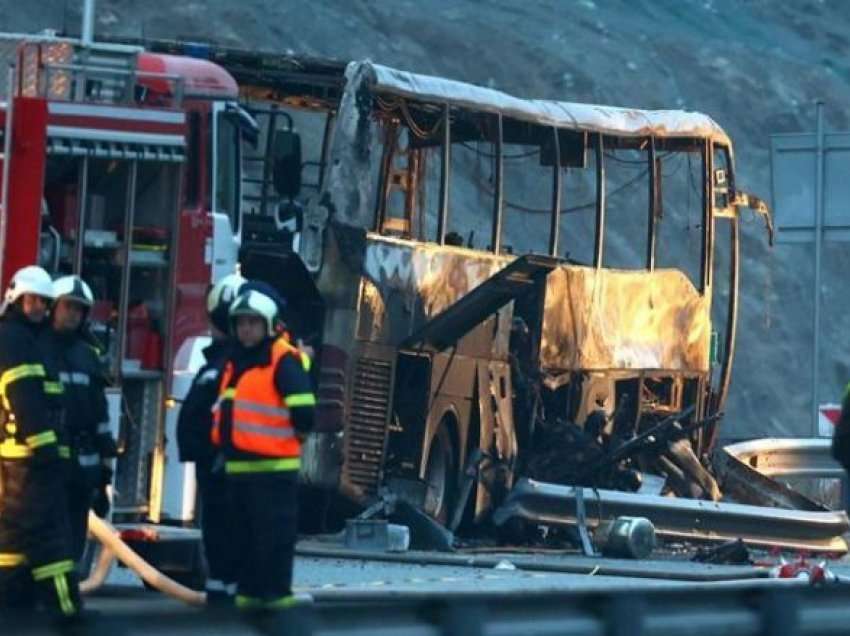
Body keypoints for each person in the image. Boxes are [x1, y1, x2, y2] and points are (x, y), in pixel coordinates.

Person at [211, 284, 315, 611]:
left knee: (274, 539)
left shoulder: (281, 359)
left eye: (253, 323)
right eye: (241, 323)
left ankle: (276, 602)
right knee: (242, 539)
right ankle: (249, 600)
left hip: (274, 471)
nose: (246, 329)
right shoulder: (235, 362)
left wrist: (292, 439)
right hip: (238, 471)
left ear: (268, 324)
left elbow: (304, 410)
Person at [0, 266, 81, 619]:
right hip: (30, 461)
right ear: (16, 299)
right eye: (31, 301)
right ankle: (67, 613)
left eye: (43, 303)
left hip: (14, 461)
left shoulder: (23, 337)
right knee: (51, 540)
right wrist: (47, 448)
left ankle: (11, 608)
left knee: (12, 541)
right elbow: (26, 398)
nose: (37, 309)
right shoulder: (17, 339)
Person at [176, 272, 245, 605]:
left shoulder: (230, 367)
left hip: (225, 469)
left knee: (226, 540)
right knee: (222, 541)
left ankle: (225, 605)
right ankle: (223, 602)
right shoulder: (230, 365)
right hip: (220, 467)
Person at [39, 275, 116, 562]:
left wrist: (103, 479)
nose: (72, 314)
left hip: (82, 467)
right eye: (67, 306)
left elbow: (100, 416)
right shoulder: (35, 349)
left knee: (73, 538)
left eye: (79, 309)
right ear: (53, 307)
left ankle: (67, 595)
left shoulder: (88, 356)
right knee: (47, 538)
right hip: (47, 464)